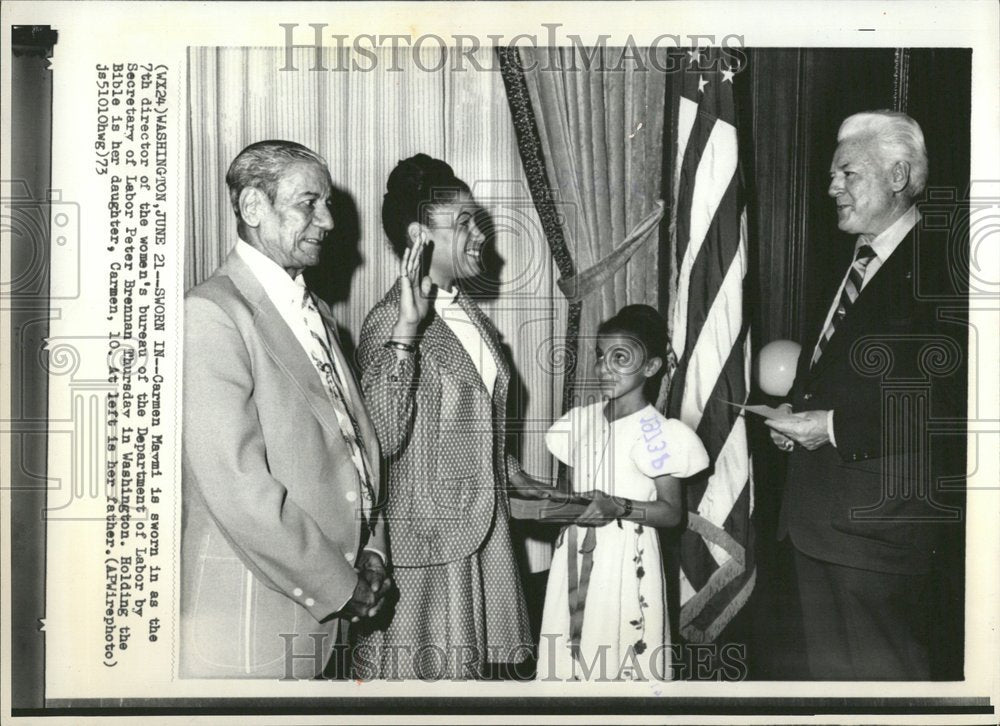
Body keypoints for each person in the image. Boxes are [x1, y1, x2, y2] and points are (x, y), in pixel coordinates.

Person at [181, 140, 391, 679]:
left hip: (323, 611)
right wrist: (340, 586)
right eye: (309, 203)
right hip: (250, 615)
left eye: (327, 205)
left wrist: (372, 551)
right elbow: (237, 484)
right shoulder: (210, 313)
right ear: (254, 209)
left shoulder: (316, 310)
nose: (326, 221)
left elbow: (352, 444)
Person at [766, 111, 964, 679]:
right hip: (818, 524)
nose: (832, 188)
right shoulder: (852, 260)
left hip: (878, 533)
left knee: (888, 691)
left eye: (847, 173)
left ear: (898, 175)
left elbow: (955, 397)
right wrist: (798, 416)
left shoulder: (947, 265)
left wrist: (830, 427)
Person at [351, 154, 531, 680]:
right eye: (464, 224)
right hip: (424, 548)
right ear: (418, 237)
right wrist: (407, 332)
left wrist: (514, 472)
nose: (481, 235)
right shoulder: (391, 319)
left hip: (478, 535)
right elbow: (379, 439)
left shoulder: (463, 310)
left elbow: (461, 420)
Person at [518, 305, 708, 682]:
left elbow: (672, 513)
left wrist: (617, 506)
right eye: (600, 357)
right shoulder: (580, 421)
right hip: (572, 556)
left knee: (617, 652)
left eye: (620, 358)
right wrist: (522, 481)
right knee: (567, 659)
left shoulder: (658, 432)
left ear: (650, 367)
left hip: (625, 559)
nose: (604, 368)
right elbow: (567, 497)